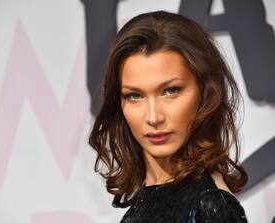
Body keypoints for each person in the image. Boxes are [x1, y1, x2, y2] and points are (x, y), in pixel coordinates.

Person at [88, 10, 248, 222]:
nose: (153, 117)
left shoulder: (211, 207)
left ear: (205, 92)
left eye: (171, 91)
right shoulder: (149, 198)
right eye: (134, 96)